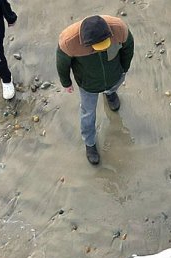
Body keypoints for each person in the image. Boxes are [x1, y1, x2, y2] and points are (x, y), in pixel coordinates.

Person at [56, 15, 134, 165]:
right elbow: (62, 63)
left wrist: (124, 68)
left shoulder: (119, 29)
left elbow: (128, 47)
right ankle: (90, 143)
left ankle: (110, 93)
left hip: (114, 76)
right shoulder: (68, 41)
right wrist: (66, 82)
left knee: (114, 86)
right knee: (88, 113)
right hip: (88, 85)